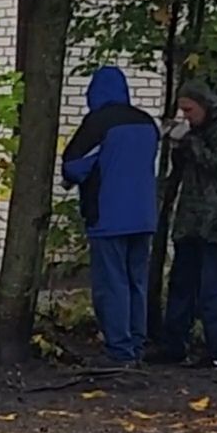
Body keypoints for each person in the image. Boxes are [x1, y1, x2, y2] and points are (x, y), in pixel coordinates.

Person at [60, 66, 160, 368]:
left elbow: (74, 164)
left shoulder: (98, 123)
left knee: (112, 284)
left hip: (109, 216)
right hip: (143, 216)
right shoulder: (147, 122)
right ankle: (137, 342)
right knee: (136, 282)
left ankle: (119, 349)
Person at [152, 79, 217, 369]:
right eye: (181, 112)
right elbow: (180, 172)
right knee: (181, 285)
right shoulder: (196, 131)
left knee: (214, 289)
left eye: (189, 110)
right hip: (191, 221)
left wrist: (190, 141)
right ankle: (174, 346)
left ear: (205, 105)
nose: (187, 116)